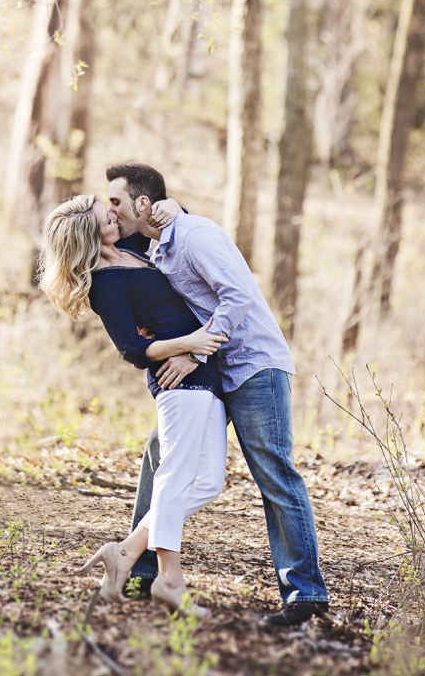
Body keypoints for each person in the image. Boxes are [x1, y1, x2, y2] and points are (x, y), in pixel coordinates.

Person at [106, 162, 330, 630]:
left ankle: (305, 593)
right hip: (210, 373)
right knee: (158, 454)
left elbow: (237, 295)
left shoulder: (193, 236)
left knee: (273, 471)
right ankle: (141, 571)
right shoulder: (150, 242)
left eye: (117, 202)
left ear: (142, 204)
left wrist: (196, 349)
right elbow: (101, 242)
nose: (111, 210)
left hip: (251, 365)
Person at [39, 193, 228, 616]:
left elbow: (168, 236)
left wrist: (175, 206)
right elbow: (131, 347)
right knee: (175, 477)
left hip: (200, 370)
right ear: (92, 232)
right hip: (177, 379)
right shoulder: (105, 282)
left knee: (209, 481)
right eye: (101, 214)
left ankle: (124, 552)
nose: (112, 211)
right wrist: (190, 343)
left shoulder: (128, 251)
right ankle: (169, 580)